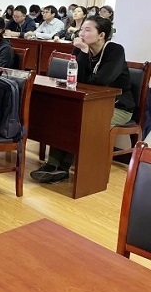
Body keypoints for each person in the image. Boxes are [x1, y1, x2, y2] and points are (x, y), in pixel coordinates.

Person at [31, 16, 135, 183]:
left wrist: (85, 53)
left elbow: (101, 81)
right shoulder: (80, 49)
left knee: (81, 122)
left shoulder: (114, 50)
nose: (82, 33)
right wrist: (83, 52)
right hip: (88, 103)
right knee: (62, 117)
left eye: (87, 30)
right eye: (81, 30)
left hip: (117, 107)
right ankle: (53, 165)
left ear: (101, 35)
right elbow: (76, 78)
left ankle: (63, 169)